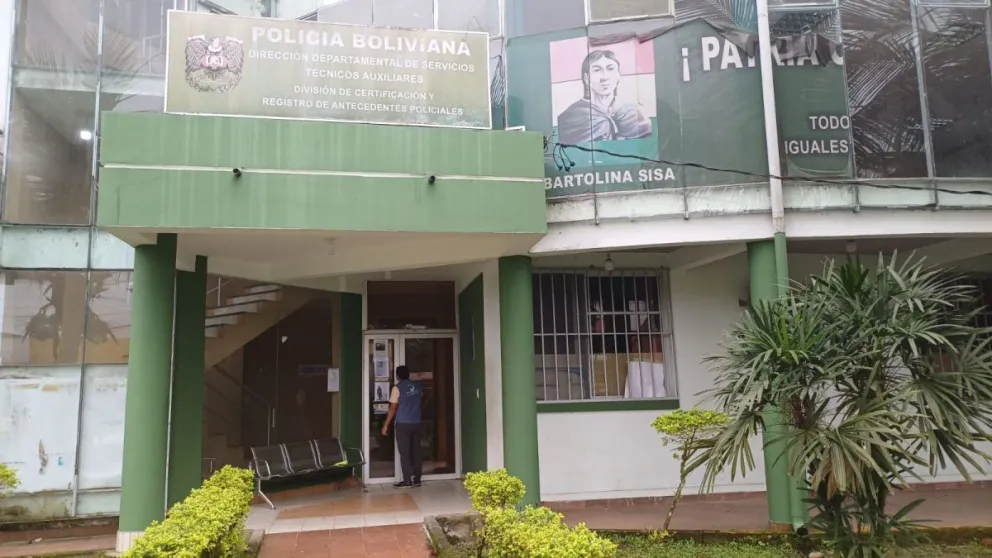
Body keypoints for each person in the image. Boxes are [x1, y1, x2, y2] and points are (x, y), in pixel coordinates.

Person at [556, 49, 652, 145]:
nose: (604, 77)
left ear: (619, 75)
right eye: (597, 70)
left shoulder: (633, 113)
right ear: (586, 78)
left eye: (610, 69)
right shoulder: (570, 118)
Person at [381, 365, 422, 488]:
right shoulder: (418, 387)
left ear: (397, 376)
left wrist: (386, 424)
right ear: (408, 374)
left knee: (405, 452)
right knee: (416, 451)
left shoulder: (397, 388)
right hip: (416, 422)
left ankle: (407, 480)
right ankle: (417, 479)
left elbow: (393, 408)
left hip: (403, 423)